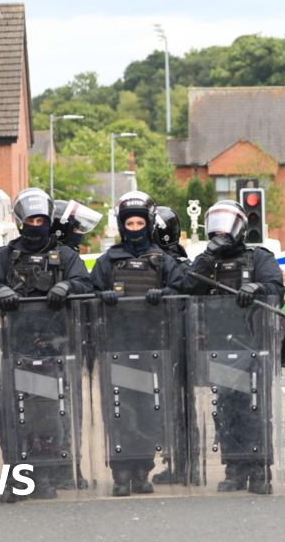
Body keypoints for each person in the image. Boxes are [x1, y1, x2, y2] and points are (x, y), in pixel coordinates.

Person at [0, 187, 94, 501]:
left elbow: (85, 282)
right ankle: (17, 477)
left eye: (42, 218)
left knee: (46, 416)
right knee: (9, 417)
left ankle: (45, 476)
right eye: (31, 218)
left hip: (54, 349)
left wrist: (67, 284)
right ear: (21, 221)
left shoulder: (66, 256)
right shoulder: (4, 256)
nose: (36, 224)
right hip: (14, 348)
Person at [89, 191, 186, 496]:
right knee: (118, 410)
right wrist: (100, 299)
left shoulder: (163, 261)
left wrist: (165, 295)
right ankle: (120, 473)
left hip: (152, 347)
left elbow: (183, 290)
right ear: (122, 225)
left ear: (147, 225)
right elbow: (87, 291)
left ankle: (143, 470)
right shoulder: (108, 261)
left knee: (147, 411)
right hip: (115, 347)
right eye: (129, 222)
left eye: (138, 222)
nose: (134, 227)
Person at [184, 200, 284, 494]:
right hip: (218, 345)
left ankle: (260, 468)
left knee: (254, 408)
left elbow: (276, 288)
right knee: (226, 410)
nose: (221, 234)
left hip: (252, 344)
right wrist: (206, 256)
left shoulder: (258, 259)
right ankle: (235, 468)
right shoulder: (205, 262)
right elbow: (188, 288)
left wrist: (257, 288)